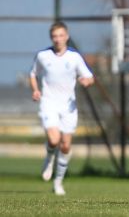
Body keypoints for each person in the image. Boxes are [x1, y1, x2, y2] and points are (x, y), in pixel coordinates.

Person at [29, 21, 94, 195]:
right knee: (53, 140)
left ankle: (58, 182)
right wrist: (35, 90)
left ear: (66, 36)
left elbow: (89, 77)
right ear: (51, 38)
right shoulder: (43, 56)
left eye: (61, 36)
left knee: (65, 146)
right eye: (54, 36)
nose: (57, 39)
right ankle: (49, 158)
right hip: (48, 103)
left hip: (68, 106)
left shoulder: (74, 57)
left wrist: (86, 81)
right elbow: (33, 74)